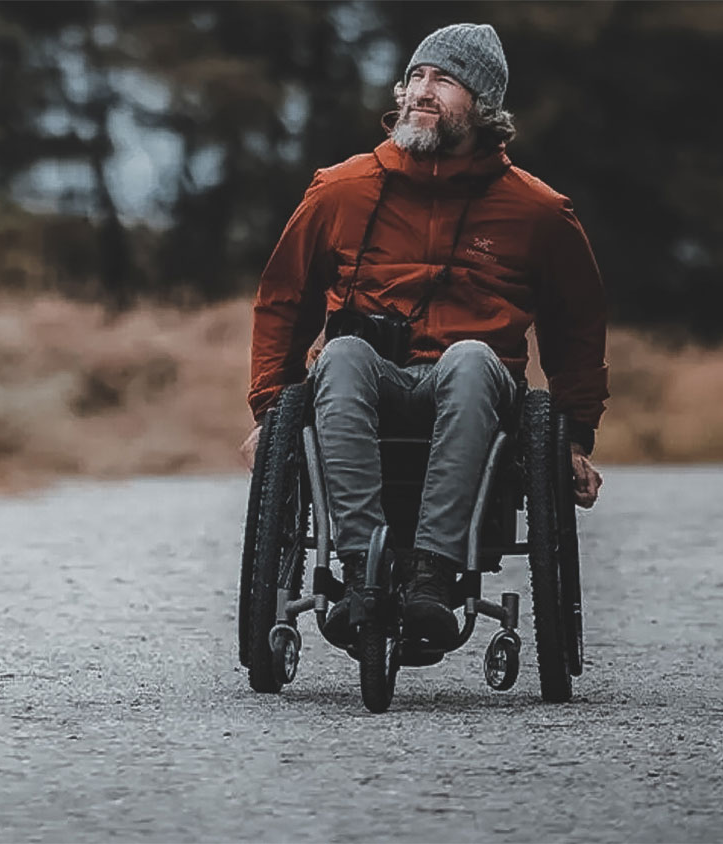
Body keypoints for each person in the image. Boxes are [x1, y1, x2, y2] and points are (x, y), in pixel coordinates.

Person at [241, 23, 608, 649]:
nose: (423, 91)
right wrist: (271, 411)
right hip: (369, 381)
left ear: (485, 106)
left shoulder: (540, 212)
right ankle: (360, 571)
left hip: (474, 386)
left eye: (446, 80)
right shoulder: (340, 190)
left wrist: (574, 436)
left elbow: (576, 327)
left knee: (470, 357)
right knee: (345, 352)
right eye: (417, 77)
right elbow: (283, 302)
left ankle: (433, 575)